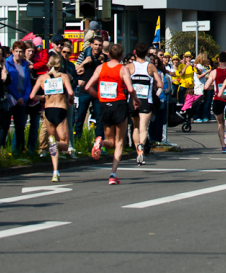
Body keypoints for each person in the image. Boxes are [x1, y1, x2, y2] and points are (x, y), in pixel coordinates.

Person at [83, 43, 134, 184]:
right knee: (119, 141)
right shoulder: (123, 69)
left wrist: (99, 97)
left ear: (109, 54)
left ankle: (100, 142)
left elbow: (87, 86)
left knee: (110, 141)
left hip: (105, 104)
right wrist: (135, 99)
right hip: (119, 104)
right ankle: (112, 174)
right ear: (122, 56)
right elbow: (130, 88)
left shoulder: (100, 67)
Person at [30, 54, 74, 182]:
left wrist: (42, 98)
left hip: (48, 110)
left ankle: (55, 172)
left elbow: (32, 95)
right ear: (60, 65)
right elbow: (70, 92)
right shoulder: (63, 76)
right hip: (60, 110)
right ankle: (55, 165)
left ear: (48, 65)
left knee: (52, 141)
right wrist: (70, 100)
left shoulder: (42, 78)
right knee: (64, 144)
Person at [129, 43, 162, 165]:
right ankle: (141, 146)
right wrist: (152, 85)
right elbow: (160, 84)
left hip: (132, 100)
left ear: (135, 53)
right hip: (145, 100)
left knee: (135, 127)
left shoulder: (129, 67)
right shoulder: (151, 67)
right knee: (144, 127)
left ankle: (137, 147)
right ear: (146, 53)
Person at [205, 51, 226, 147]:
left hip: (218, 98)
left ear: (218, 60)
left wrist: (214, 88)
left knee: (220, 124)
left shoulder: (214, 72)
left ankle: (223, 146)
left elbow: (206, 87)